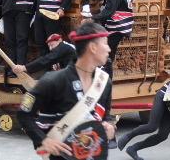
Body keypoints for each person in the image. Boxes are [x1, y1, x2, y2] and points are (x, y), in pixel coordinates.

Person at [16, 20, 116, 159]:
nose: (109, 49)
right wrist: (44, 140)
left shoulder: (104, 82)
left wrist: (110, 126)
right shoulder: (53, 81)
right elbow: (24, 114)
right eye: (105, 43)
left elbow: (106, 116)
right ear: (93, 47)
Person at [92, 0, 135, 77]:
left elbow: (108, 12)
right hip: (119, 26)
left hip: (117, 26)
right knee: (108, 55)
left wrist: (92, 19)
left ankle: (107, 82)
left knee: (107, 57)